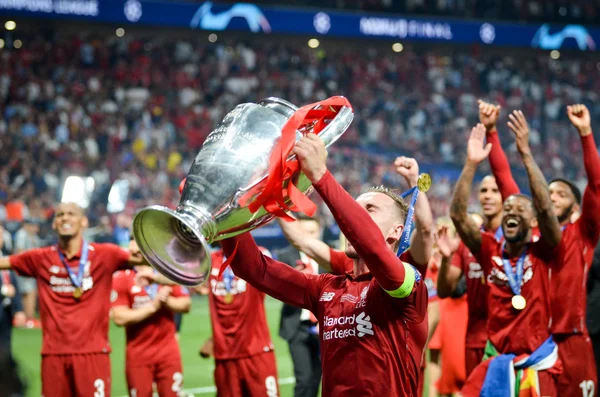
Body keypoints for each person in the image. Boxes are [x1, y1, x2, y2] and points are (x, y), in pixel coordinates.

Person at [218, 133, 428, 396]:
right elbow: (253, 269)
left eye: (369, 209)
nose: (353, 216)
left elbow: (372, 246)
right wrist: (227, 214)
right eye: (354, 207)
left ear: (396, 231)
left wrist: (320, 175)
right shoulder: (327, 288)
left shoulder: (408, 286)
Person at [484, 102, 600, 396]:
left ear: (576, 206)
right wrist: (492, 132)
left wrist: (586, 133)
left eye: (560, 194)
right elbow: (505, 181)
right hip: (535, 342)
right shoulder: (531, 234)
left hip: (571, 337)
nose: (551, 197)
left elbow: (596, 184)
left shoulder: (583, 233)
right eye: (548, 193)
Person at [451, 120, 562, 395]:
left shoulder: (543, 251)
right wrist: (471, 163)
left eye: (520, 209)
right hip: (496, 359)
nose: (511, 211)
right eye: (508, 208)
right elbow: (458, 215)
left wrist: (525, 153)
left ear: (533, 219)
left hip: (537, 364)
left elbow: (548, 211)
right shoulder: (490, 250)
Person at [0, 202, 144, 397]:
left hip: (93, 354)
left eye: (71, 214)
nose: (65, 218)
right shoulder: (41, 258)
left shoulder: (105, 254)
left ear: (84, 221)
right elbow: (5, 262)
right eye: (59, 215)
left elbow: (145, 259)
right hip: (53, 355)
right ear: (54, 224)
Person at [111, 238, 191, 397]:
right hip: (138, 355)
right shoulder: (122, 277)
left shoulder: (165, 274)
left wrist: (166, 301)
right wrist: (153, 306)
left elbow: (185, 304)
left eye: (139, 252)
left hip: (168, 353)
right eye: (132, 252)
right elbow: (119, 317)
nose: (135, 255)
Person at [197, 245, 279, 397]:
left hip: (256, 350)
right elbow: (183, 276)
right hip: (225, 354)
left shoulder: (256, 253)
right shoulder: (210, 260)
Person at [276, 214, 323, 397]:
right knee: (303, 378)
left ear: (319, 231)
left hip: (322, 328)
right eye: (305, 231)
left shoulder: (328, 256)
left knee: (316, 378)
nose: (309, 236)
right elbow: (277, 291)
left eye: (313, 231)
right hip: (296, 326)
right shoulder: (286, 256)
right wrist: (291, 280)